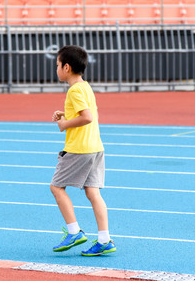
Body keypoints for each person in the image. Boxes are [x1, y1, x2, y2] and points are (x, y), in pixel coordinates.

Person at [50, 45, 116, 256]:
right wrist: (66, 114)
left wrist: (64, 124)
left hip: (79, 149)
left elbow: (86, 117)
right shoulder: (85, 87)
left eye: (58, 65)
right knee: (92, 192)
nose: (57, 69)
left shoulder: (74, 90)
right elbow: (87, 113)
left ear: (67, 67)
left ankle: (74, 231)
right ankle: (104, 239)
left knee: (56, 187)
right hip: (95, 147)